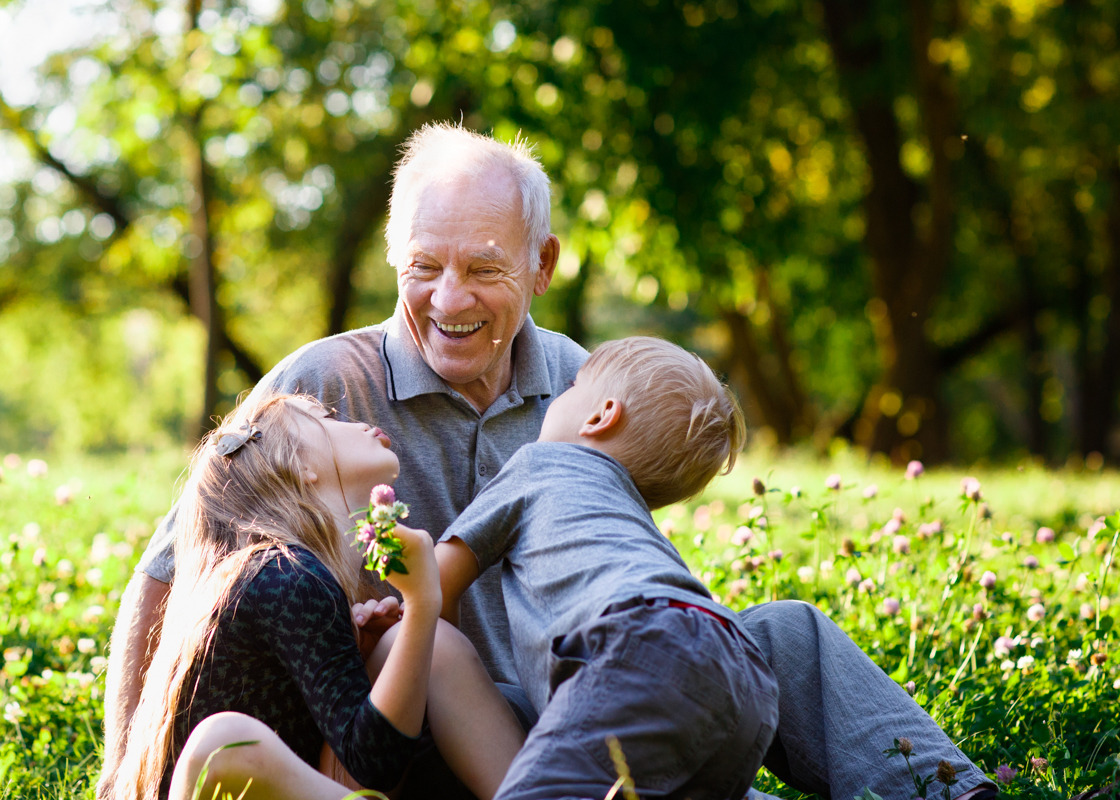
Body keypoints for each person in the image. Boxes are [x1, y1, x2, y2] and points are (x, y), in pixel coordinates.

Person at [100, 122, 997, 800]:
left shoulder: (581, 381)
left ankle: (951, 790)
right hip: (420, 725)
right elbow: (171, 576)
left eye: (484, 268)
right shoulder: (322, 386)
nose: (449, 299)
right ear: (391, 259)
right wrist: (119, 775)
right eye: (423, 267)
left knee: (786, 634)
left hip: (583, 684)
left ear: (542, 264)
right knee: (432, 644)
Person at [109, 393, 525, 800]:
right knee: (224, 743)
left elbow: (370, 757)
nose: (354, 421)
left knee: (427, 646)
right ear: (299, 464)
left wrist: (376, 652)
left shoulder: (285, 575)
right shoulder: (286, 575)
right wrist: (421, 603)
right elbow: (376, 763)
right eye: (324, 417)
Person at [432, 336, 778, 799]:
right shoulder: (629, 514)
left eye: (572, 387)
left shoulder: (541, 463)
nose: (559, 397)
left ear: (600, 415)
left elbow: (437, 581)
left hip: (640, 643)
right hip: (743, 670)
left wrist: (435, 658)